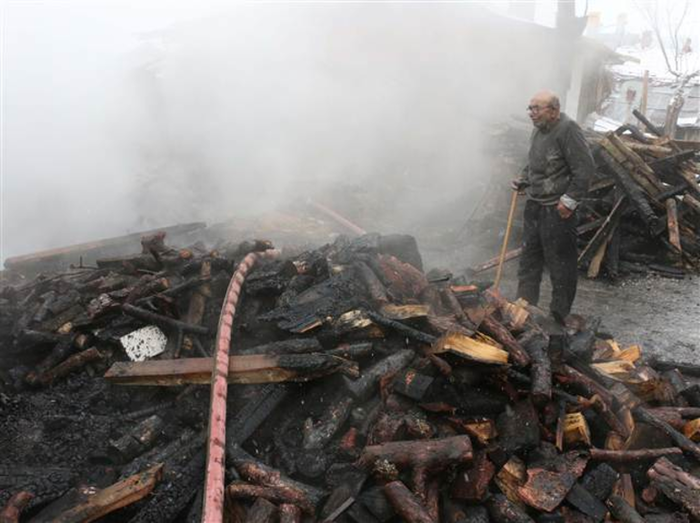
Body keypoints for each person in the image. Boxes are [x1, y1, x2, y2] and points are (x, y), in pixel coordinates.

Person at [511, 90, 595, 324]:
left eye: (536, 108)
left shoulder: (568, 129)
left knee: (561, 266)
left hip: (557, 210)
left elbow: (585, 169)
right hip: (535, 205)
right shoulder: (539, 129)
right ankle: (524, 310)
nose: (531, 113)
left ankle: (558, 317)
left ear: (554, 111)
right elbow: (534, 162)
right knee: (529, 260)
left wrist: (569, 201)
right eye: (530, 108)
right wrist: (523, 178)